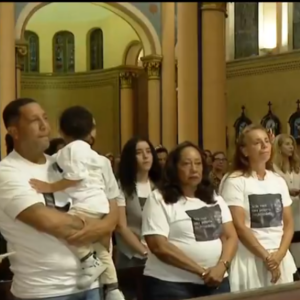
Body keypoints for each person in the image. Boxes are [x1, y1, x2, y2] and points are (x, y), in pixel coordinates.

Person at [0, 98, 118, 300]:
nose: (45, 126)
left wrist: (109, 222)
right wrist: (98, 225)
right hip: (45, 289)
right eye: (34, 120)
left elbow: (110, 198)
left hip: (90, 283)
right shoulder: (7, 172)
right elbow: (49, 222)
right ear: (15, 132)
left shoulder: (62, 161)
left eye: (45, 118)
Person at [29, 106, 124, 300]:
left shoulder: (68, 151)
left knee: (66, 228)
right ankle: (113, 288)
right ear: (91, 130)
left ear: (61, 131)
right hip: (99, 207)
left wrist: (49, 187)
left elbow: (76, 176)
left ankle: (89, 262)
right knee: (99, 248)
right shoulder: (95, 156)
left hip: (86, 207)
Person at [142, 141, 238, 300]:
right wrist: (201, 271)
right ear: (174, 169)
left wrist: (222, 266)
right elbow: (159, 246)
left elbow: (230, 236)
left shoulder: (214, 198)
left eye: (198, 163)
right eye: (186, 164)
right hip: (170, 284)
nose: (194, 169)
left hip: (217, 281)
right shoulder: (159, 198)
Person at [220, 124, 297, 292]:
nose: (264, 146)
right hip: (250, 257)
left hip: (279, 257)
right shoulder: (235, 181)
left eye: (266, 141)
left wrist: (279, 255)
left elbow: (289, 224)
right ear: (244, 151)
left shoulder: (277, 180)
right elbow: (238, 226)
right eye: (257, 142)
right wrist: (267, 257)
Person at [115, 137, 161, 300]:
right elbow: (121, 226)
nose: (146, 156)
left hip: (160, 254)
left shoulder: (160, 185)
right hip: (131, 257)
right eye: (139, 153)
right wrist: (144, 251)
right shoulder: (122, 186)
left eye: (149, 152)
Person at [273, 134, 300, 273]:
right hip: (284, 211)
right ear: (279, 147)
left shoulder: (297, 165)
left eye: (292, 144)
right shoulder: (273, 168)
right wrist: (288, 191)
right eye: (287, 144)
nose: (291, 147)